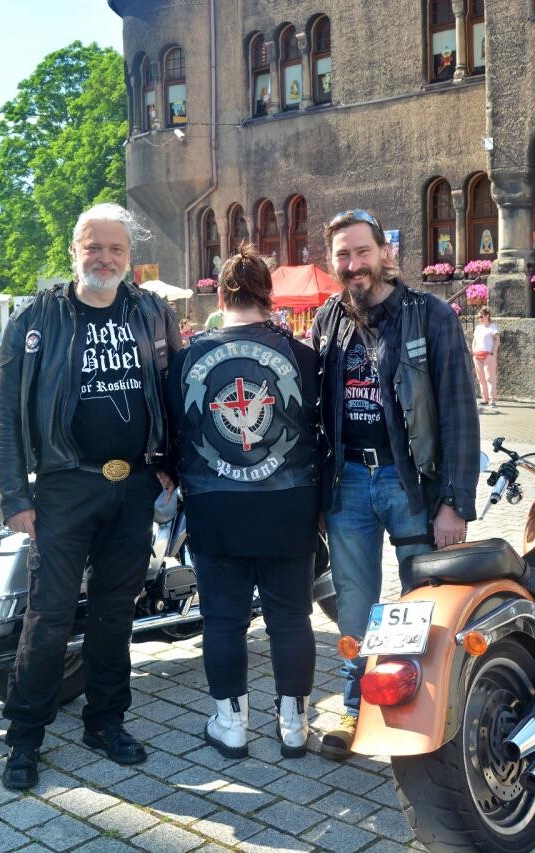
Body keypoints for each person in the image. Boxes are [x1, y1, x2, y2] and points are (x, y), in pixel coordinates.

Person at [0, 202, 180, 790]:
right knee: (48, 616)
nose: (104, 258)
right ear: (74, 250)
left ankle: (105, 721)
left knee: (114, 612)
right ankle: (25, 737)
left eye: (115, 248)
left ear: (129, 255)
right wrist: (13, 496)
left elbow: (174, 391)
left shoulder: (151, 313)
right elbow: (7, 413)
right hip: (65, 485)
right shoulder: (37, 319)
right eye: (93, 247)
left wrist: (170, 463)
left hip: (134, 485)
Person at [311, 209, 480, 761]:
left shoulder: (429, 315)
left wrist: (454, 503)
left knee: (421, 602)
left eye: (362, 251)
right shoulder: (328, 318)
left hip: (411, 483)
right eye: (343, 255)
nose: (354, 264)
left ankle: (425, 710)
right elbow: (316, 413)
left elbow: (458, 411)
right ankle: (353, 706)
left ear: (385, 253)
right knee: (354, 603)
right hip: (348, 482)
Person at [165, 244, 319, 761]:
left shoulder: (186, 360)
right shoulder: (304, 359)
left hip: (216, 510)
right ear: (268, 295)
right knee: (290, 619)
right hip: (289, 508)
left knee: (224, 621)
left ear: (219, 296)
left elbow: (173, 432)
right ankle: (294, 726)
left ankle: (231, 725)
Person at [471, 307, 501, 409]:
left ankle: (492, 400)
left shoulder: (493, 327)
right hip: (477, 355)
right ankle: (485, 398)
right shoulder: (478, 328)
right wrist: (474, 352)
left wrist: (492, 352)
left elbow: (497, 340)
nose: (479, 318)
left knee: (490, 378)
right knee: (481, 378)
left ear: (487, 315)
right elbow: (474, 341)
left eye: (481, 316)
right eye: (478, 317)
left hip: (488, 355)